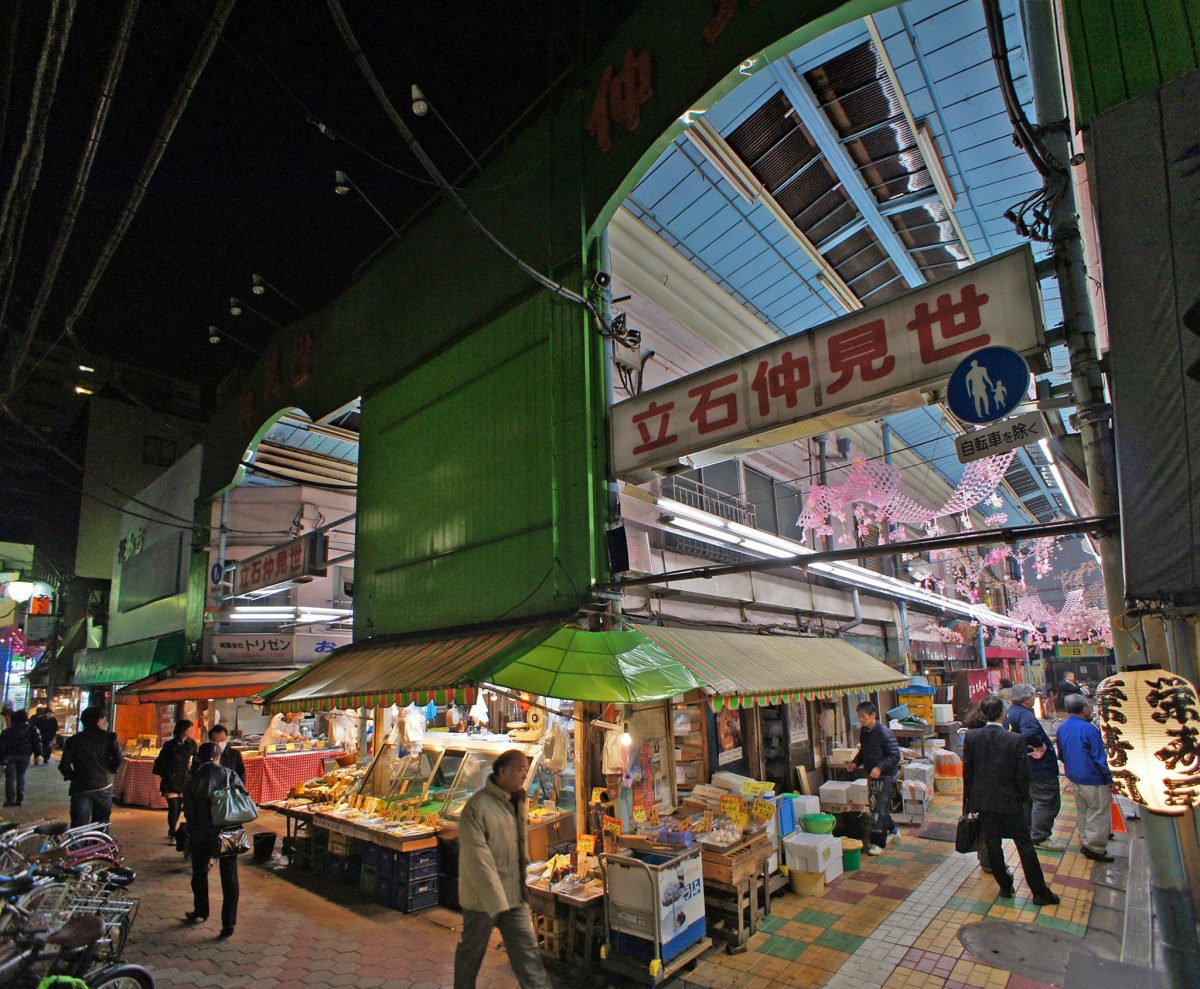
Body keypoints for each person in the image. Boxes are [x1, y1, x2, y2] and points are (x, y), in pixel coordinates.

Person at [454, 749, 552, 989]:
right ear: (502, 771)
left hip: (513, 897)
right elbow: (479, 861)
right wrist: (498, 904)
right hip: (481, 901)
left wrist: (521, 889)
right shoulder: (476, 808)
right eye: (520, 769)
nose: (524, 774)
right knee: (470, 955)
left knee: (528, 955)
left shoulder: (517, 801)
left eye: (526, 770)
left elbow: (519, 847)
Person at [963, 695, 1060, 906]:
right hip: (1011, 802)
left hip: (985, 801)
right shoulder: (1014, 739)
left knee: (992, 844)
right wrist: (1023, 799)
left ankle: (1005, 887)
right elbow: (1022, 774)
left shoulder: (972, 737)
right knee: (1024, 845)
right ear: (1002, 714)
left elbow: (968, 772)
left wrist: (969, 802)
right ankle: (1039, 892)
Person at [182, 742, 242, 939]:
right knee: (229, 877)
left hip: (200, 832)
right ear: (217, 756)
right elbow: (242, 797)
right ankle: (229, 923)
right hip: (226, 831)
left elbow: (189, 812)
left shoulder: (192, 780)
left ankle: (201, 910)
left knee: (199, 873)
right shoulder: (229, 774)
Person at [1003, 683, 1064, 850]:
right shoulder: (1025, 715)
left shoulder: (1009, 712)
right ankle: (1039, 837)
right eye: (1032, 695)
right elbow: (1029, 733)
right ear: (1026, 698)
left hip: (1023, 764)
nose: (1033, 698)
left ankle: (1030, 832)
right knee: (1044, 800)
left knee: (1030, 800)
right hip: (1038, 767)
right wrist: (1041, 746)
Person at [1056, 694, 1115, 862]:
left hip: (1074, 775)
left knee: (1083, 810)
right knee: (1098, 810)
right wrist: (1110, 778)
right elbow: (1099, 757)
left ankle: (1086, 838)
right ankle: (1095, 847)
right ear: (1084, 709)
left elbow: (1061, 753)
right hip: (1092, 776)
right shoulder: (1089, 729)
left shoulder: (1062, 727)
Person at [846, 701, 901, 856]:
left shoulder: (884, 733)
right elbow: (864, 752)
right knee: (877, 806)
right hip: (873, 776)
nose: (861, 719)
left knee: (878, 810)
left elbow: (895, 755)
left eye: (863, 716)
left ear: (873, 715)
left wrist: (879, 767)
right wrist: (855, 763)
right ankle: (894, 832)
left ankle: (878, 843)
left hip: (886, 776)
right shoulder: (865, 732)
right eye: (859, 716)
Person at [59, 707, 124, 828]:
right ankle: (99, 845)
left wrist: (74, 776)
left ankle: (78, 846)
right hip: (103, 785)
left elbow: (63, 766)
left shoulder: (73, 740)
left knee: (78, 824)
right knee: (101, 822)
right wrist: (111, 770)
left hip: (80, 787)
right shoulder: (110, 737)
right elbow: (118, 758)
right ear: (100, 719)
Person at [152, 719, 197, 842]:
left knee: (179, 807)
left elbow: (197, 759)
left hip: (184, 780)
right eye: (190, 728)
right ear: (183, 729)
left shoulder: (191, 744)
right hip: (170, 780)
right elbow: (161, 761)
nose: (192, 731)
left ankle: (173, 830)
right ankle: (173, 833)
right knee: (173, 806)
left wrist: (192, 773)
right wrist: (166, 773)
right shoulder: (170, 745)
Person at [0, 710, 42, 806]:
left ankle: (10, 799)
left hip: (9, 757)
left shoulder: (7, 732)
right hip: (24, 756)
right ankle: (20, 797)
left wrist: (1, 759)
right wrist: (37, 754)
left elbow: (2, 746)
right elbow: (37, 742)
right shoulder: (32, 729)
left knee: (10, 778)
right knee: (21, 776)